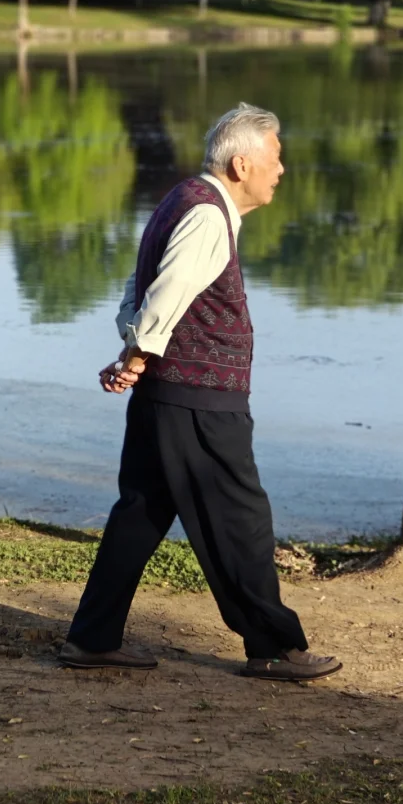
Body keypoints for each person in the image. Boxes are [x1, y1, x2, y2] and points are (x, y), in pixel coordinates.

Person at [59, 102, 341, 681]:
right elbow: (167, 291)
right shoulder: (208, 215)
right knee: (241, 519)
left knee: (140, 512)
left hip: (171, 393)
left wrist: (132, 350)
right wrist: (136, 353)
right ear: (243, 164)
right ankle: (274, 647)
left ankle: (91, 640)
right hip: (197, 398)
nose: (282, 170)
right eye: (275, 158)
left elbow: (139, 285)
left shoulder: (183, 198)